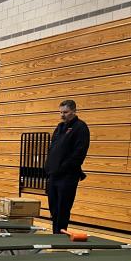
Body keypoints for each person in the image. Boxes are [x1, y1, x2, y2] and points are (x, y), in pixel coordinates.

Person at [44, 99, 90, 234]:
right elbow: (52, 149)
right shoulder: (59, 127)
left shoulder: (80, 127)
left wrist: (64, 167)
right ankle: (55, 234)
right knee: (53, 208)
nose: (62, 115)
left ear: (74, 111)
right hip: (54, 174)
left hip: (68, 175)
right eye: (60, 112)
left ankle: (59, 236)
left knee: (63, 209)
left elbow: (79, 152)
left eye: (65, 112)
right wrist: (48, 167)